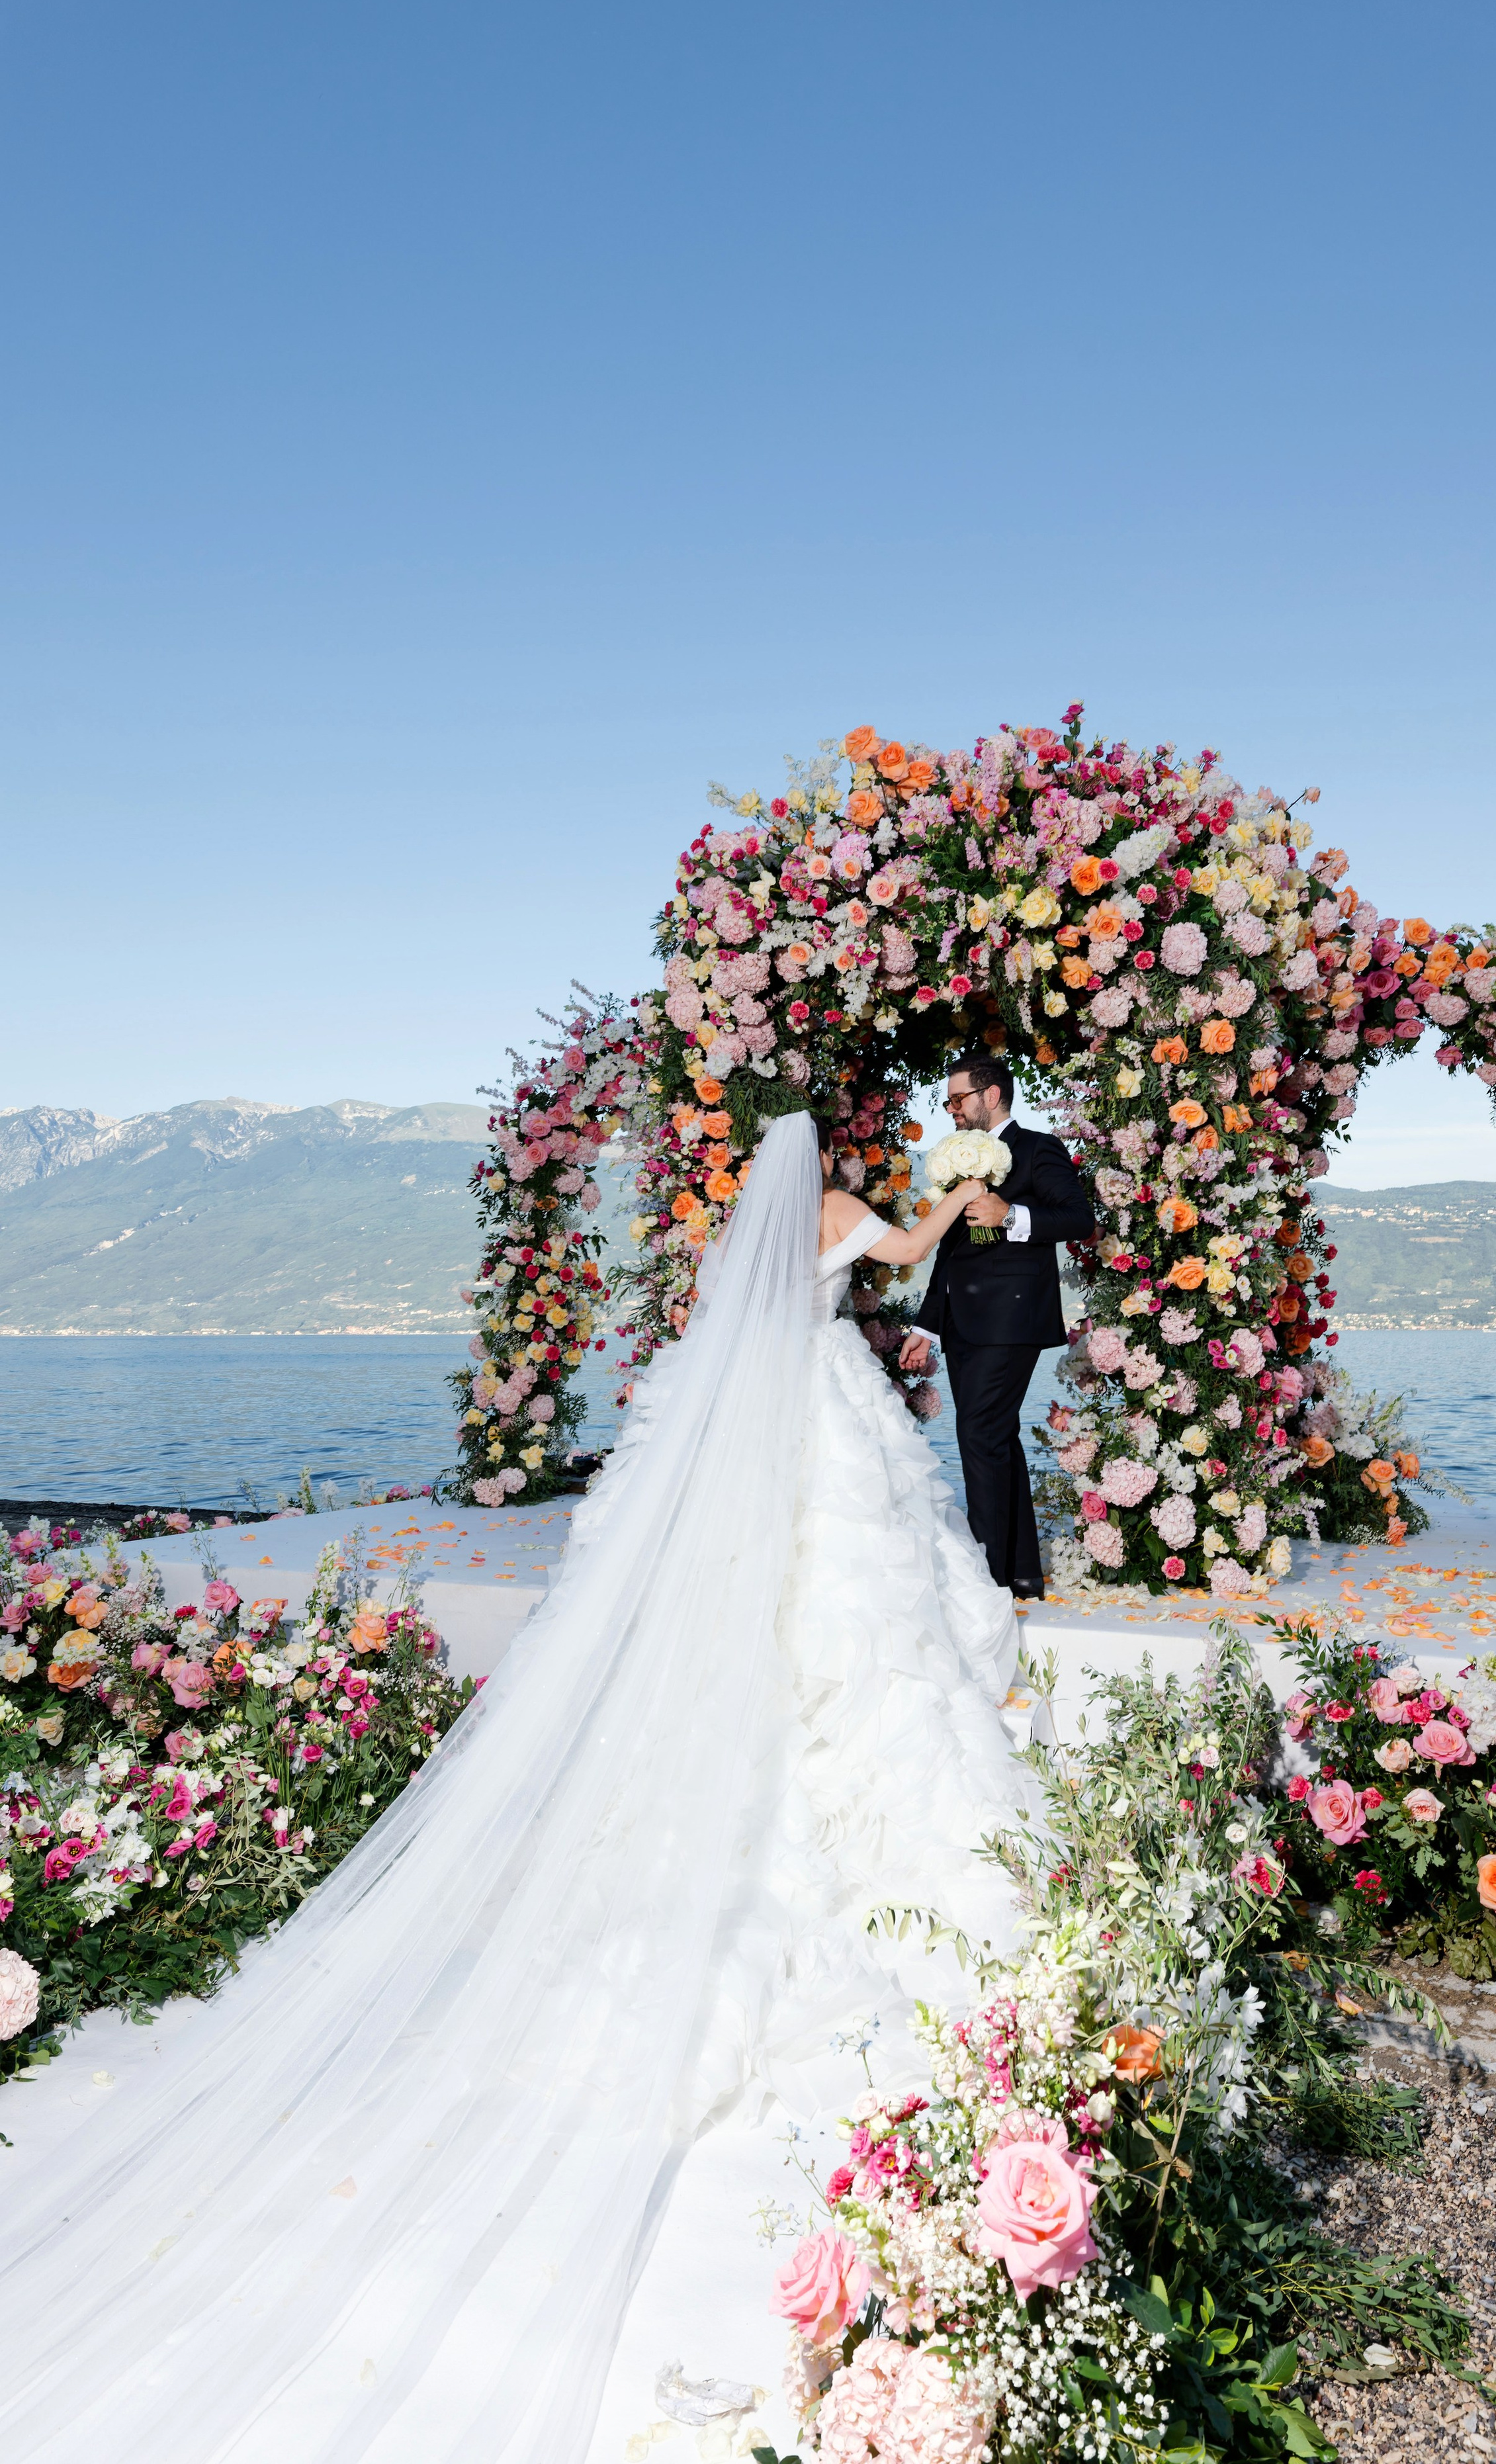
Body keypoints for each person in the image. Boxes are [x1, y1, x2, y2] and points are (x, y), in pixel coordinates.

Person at [0, 1112, 1032, 2464]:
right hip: (825, 1419)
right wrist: (954, 1202)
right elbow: (897, 1248)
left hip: (770, 1417)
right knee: (853, 1611)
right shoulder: (840, 1212)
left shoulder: (748, 1236)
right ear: (827, 1158)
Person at [899, 1054, 1094, 1601]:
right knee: (995, 1439)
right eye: (947, 1103)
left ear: (990, 1095)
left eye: (957, 1100)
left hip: (1011, 1320)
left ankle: (988, 1582)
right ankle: (1021, 1572)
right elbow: (951, 1253)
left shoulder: (1038, 1148)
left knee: (979, 1435)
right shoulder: (959, 1166)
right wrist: (928, 1327)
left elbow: (1079, 1218)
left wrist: (1011, 1216)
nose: (951, 1112)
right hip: (962, 1323)